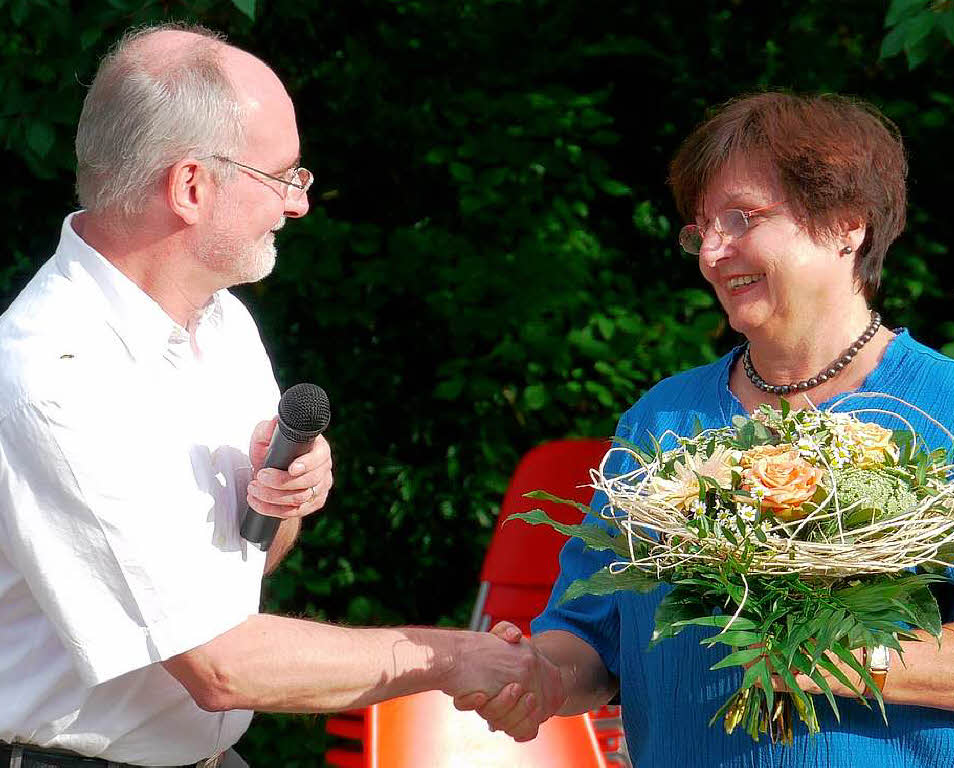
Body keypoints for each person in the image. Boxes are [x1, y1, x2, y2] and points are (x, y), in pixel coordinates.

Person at [0, 25, 561, 768]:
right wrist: (449, 657)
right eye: (282, 176)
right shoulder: (52, 377)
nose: (298, 204)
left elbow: (246, 567)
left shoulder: (221, 323)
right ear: (191, 186)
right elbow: (221, 666)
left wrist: (284, 504)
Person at [464, 93, 954, 766]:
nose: (711, 252)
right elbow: (592, 632)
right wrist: (538, 675)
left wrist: (855, 659)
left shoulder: (951, 409)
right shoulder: (662, 421)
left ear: (847, 224)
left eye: (743, 218)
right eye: (700, 228)